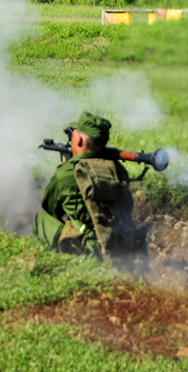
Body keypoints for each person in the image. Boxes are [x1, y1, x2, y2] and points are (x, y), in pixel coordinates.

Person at [33, 111, 137, 267]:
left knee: (41, 218)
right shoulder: (118, 169)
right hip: (121, 243)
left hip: (89, 248)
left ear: (80, 139)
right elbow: (128, 205)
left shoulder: (66, 173)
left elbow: (51, 208)